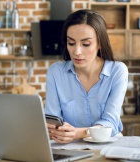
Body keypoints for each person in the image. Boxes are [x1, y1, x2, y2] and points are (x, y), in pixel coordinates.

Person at [44, 9, 128, 143]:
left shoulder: (117, 71)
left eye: (86, 44)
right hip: (67, 147)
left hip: (108, 145)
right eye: (71, 43)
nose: (77, 52)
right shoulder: (56, 72)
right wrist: (52, 129)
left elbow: (110, 122)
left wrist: (78, 133)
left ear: (100, 43)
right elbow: (51, 119)